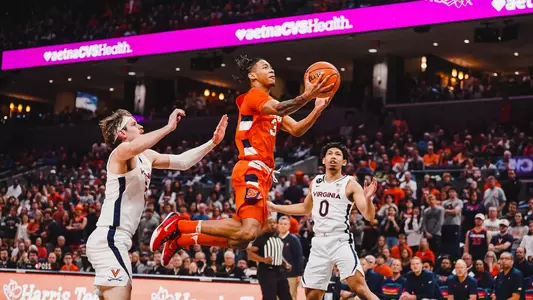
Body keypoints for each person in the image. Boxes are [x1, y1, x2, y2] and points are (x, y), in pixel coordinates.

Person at [151, 55, 335, 260]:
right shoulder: (254, 97)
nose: (272, 70)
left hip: (262, 175)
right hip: (251, 169)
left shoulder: (271, 103)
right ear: (253, 76)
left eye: (272, 66)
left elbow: (297, 129)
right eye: (266, 67)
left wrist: (318, 109)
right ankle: (178, 225)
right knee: (248, 231)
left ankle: (181, 240)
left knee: (243, 239)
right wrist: (307, 96)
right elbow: (279, 108)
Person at [86, 108, 228, 300]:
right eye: (134, 124)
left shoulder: (147, 156)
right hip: (109, 237)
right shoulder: (120, 153)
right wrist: (169, 127)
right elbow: (132, 148)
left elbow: (182, 162)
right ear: (122, 134)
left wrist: (212, 143)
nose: (140, 126)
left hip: (117, 239)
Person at [269, 142, 379, 300]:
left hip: (340, 240)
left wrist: (368, 200)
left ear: (344, 162)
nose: (333, 157)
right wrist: (275, 207)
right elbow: (305, 208)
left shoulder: (350, 184)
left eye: (338, 154)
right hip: (319, 242)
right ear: (323, 160)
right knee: (312, 295)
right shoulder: (316, 182)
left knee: (360, 288)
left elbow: (369, 216)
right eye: (330, 154)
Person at [247, 216, 291, 300]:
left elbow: (278, 255)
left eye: (274, 223)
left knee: (286, 297)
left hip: (279, 271)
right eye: (270, 223)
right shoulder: (261, 238)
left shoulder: (278, 238)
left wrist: (285, 263)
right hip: (266, 271)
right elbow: (250, 254)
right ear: (265, 225)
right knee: (270, 297)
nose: (272, 225)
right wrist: (263, 259)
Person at [278, 216, 304, 300]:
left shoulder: (294, 239)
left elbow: (299, 257)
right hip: (277, 274)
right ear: (278, 225)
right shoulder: (274, 238)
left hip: (291, 275)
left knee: (291, 296)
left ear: (289, 226)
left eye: (285, 224)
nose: (283, 226)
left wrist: (299, 274)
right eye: (281, 224)